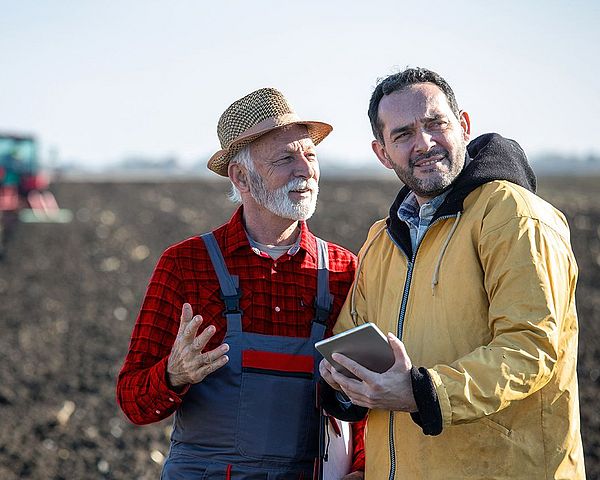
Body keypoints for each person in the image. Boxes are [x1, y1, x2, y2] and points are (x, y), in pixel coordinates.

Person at [319, 67, 585, 479]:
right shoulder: (381, 240)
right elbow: (350, 339)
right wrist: (344, 381)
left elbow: (531, 347)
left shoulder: (514, 216)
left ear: (462, 125)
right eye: (403, 134)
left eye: (435, 123)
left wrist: (422, 392)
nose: (424, 144)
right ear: (382, 153)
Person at [117, 87, 365, 479]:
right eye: (286, 158)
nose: (305, 169)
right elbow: (132, 399)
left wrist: (361, 468)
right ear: (242, 177)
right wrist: (173, 374)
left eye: (310, 154)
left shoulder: (341, 270)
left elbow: (364, 392)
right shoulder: (186, 265)